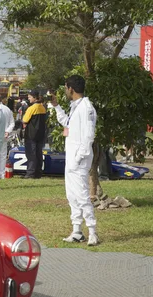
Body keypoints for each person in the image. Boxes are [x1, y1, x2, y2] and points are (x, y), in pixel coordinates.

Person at [51, 74, 99, 246]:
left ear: (71, 88)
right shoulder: (75, 107)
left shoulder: (86, 108)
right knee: (72, 195)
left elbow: (89, 135)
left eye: (65, 88)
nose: (65, 91)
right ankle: (77, 230)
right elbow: (67, 124)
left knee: (82, 195)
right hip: (72, 158)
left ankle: (92, 231)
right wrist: (56, 106)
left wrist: (79, 157)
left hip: (79, 159)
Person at [22, 90, 47, 179]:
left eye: (29, 97)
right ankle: (38, 173)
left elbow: (24, 120)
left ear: (34, 97)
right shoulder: (42, 107)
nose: (28, 99)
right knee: (38, 154)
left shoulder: (32, 108)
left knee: (31, 154)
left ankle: (30, 173)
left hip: (31, 135)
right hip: (40, 134)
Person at [0, 94, 16, 179]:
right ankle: (1, 174)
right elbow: (12, 123)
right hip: (4, 135)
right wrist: (8, 131)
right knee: (2, 155)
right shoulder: (7, 109)